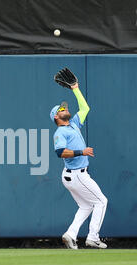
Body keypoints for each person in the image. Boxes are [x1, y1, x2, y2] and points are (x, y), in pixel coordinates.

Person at [50, 82, 108, 249]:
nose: (65, 109)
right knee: (101, 202)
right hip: (76, 174)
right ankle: (93, 237)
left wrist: (75, 88)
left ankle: (70, 234)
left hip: (74, 175)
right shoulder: (60, 132)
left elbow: (85, 108)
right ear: (56, 117)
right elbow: (60, 152)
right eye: (62, 110)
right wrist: (81, 152)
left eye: (65, 108)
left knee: (86, 205)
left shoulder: (74, 123)